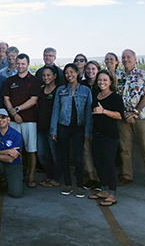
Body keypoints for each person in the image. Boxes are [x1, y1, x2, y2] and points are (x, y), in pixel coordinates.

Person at [116, 49, 145, 189]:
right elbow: (116, 97)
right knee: (125, 149)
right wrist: (125, 114)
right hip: (123, 118)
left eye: (128, 57)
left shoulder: (143, 74)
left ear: (135, 59)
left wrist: (135, 112)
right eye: (123, 57)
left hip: (141, 117)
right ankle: (127, 176)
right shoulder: (118, 76)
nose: (126, 59)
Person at [51, 63, 93, 198]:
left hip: (79, 128)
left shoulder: (86, 90)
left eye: (71, 72)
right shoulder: (60, 90)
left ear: (77, 73)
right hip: (63, 126)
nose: (69, 75)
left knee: (78, 157)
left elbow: (88, 113)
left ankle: (80, 185)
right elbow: (55, 110)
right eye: (67, 73)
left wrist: (88, 131)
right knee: (64, 156)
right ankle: (68, 184)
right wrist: (54, 130)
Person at [3, 53, 42, 188]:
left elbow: (33, 100)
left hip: (30, 121)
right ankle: (17, 176)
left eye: (23, 64)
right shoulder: (10, 80)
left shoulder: (35, 80)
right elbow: (6, 98)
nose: (20, 66)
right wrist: (13, 114)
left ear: (28, 64)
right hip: (13, 121)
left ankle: (31, 176)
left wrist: (16, 110)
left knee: (31, 150)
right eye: (18, 63)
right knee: (14, 150)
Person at [89, 70, 125, 206]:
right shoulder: (95, 96)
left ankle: (112, 194)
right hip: (96, 134)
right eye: (99, 80)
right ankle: (103, 190)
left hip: (110, 136)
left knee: (109, 164)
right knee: (98, 163)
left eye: (105, 80)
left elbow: (120, 115)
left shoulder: (115, 97)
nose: (101, 82)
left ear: (110, 81)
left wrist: (104, 111)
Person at [36, 66, 61, 188]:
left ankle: (56, 179)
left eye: (49, 75)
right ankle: (50, 176)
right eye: (44, 75)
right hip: (41, 128)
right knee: (41, 155)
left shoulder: (59, 91)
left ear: (55, 76)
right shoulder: (40, 90)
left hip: (53, 129)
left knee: (55, 155)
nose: (46, 78)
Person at [81, 60, 101, 189]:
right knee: (86, 150)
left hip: (100, 122)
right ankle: (91, 177)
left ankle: (100, 179)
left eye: (93, 69)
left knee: (98, 152)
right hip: (84, 121)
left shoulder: (103, 84)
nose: (90, 71)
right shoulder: (81, 85)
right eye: (88, 69)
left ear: (98, 70)